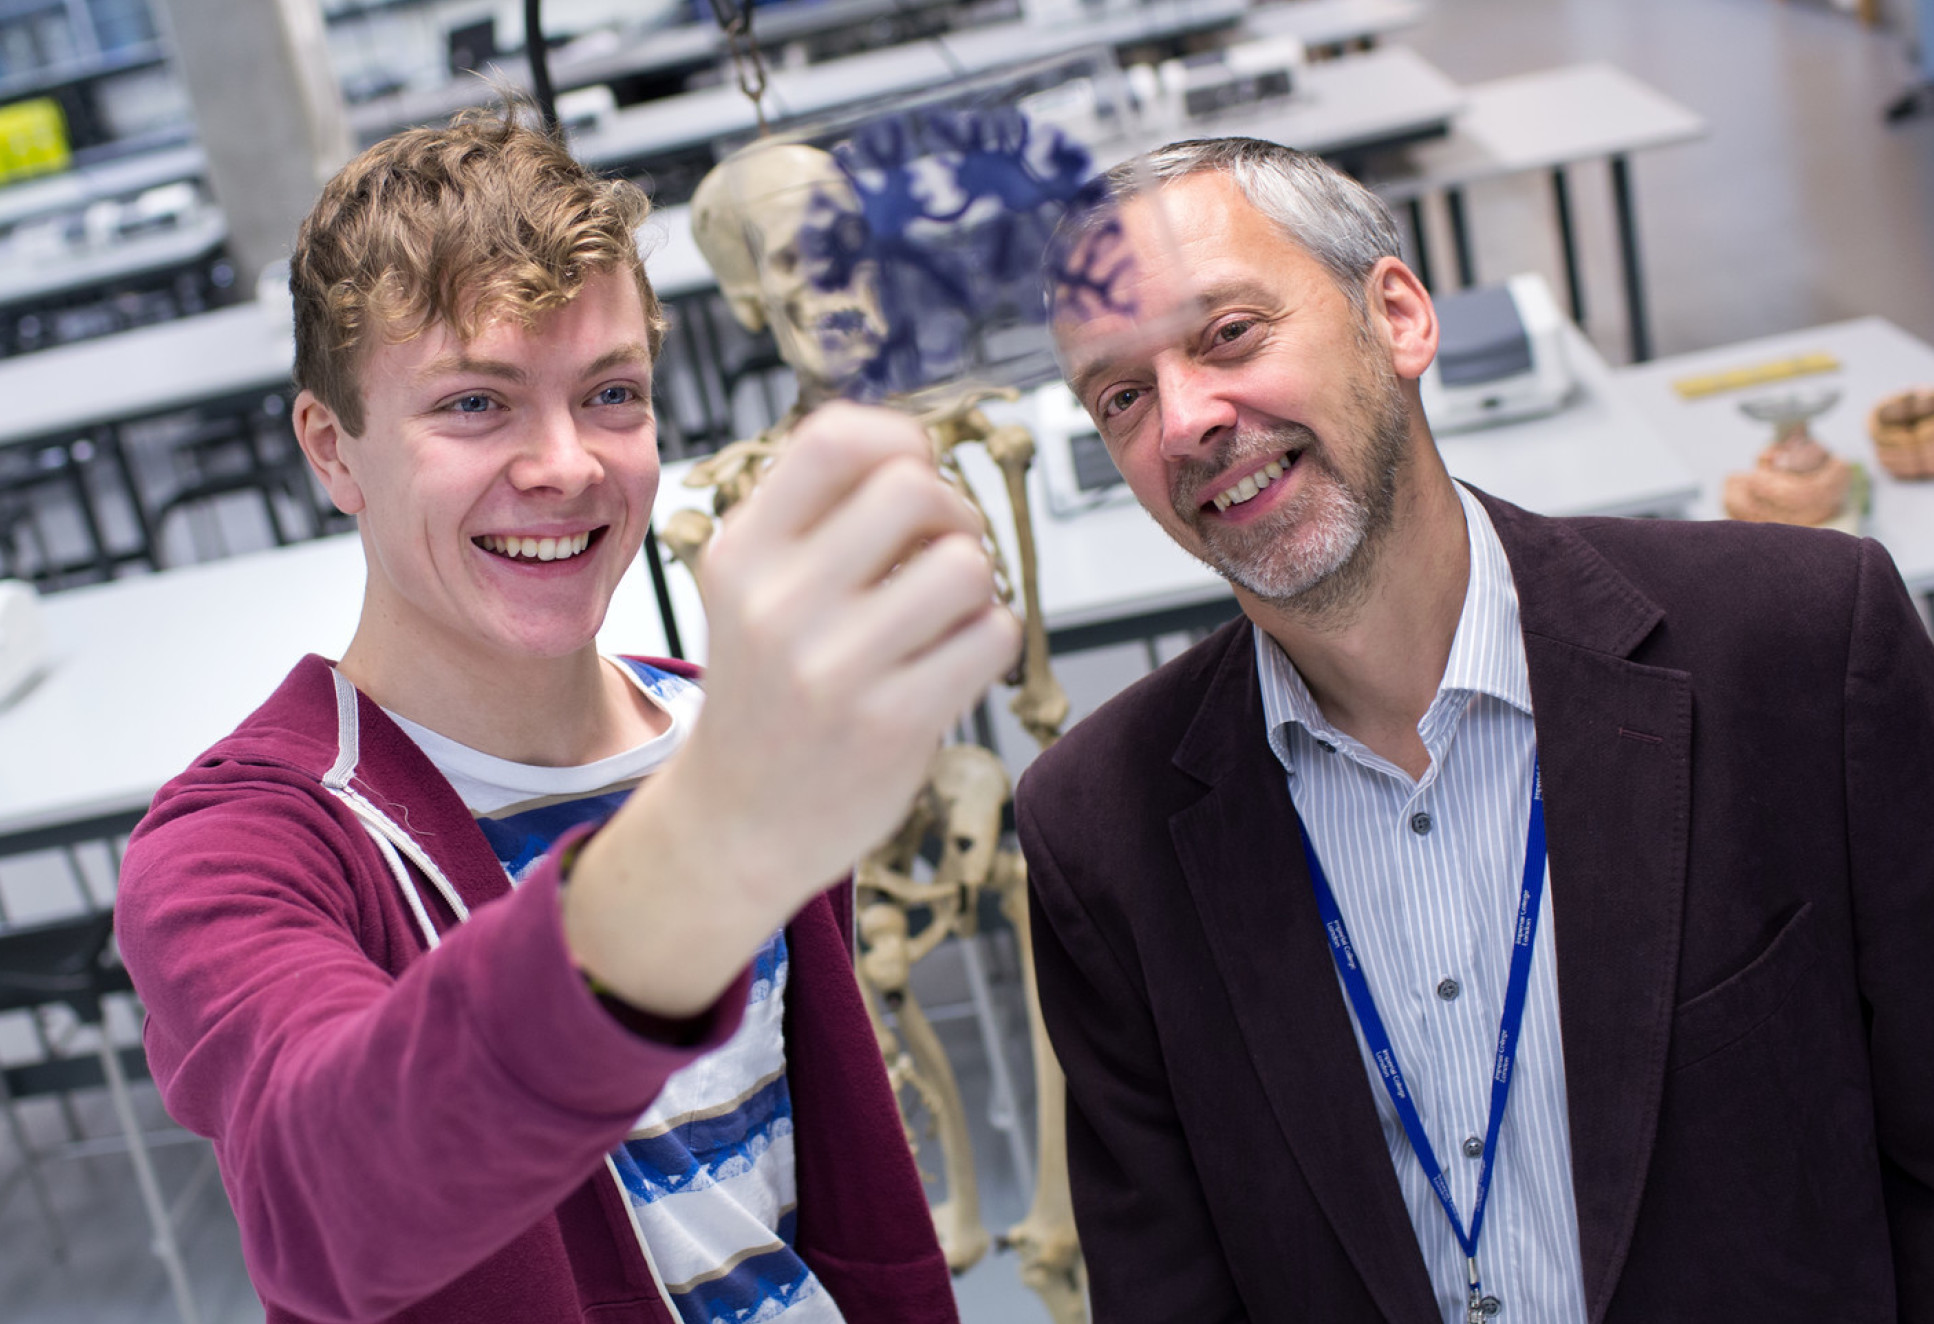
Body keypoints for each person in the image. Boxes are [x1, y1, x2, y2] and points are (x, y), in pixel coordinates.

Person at [115, 107, 1020, 1324]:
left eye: (610, 393)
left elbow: (828, 1182)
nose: (566, 465)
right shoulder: (240, 851)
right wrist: (704, 841)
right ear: (332, 450)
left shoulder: (715, 732)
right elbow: (325, 1195)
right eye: (474, 405)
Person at [1016, 135, 1934, 1324]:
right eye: (1121, 397)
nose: (1185, 419)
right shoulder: (1098, 828)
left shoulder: (1800, 646)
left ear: (1395, 314)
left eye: (1229, 334)